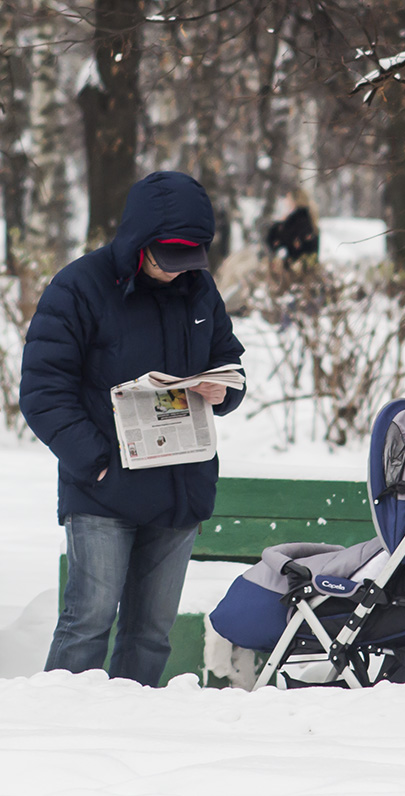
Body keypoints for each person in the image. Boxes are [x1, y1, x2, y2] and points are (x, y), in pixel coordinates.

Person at [19, 171, 246, 687]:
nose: (178, 270)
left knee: (151, 633)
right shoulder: (78, 288)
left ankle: (131, 738)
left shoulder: (199, 289)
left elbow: (228, 361)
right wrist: (96, 463)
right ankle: (63, 733)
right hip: (104, 489)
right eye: (169, 257)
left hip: (179, 487)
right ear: (138, 242)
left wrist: (224, 390)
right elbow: (42, 391)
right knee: (87, 624)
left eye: (191, 257)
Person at [265, 187, 319, 272]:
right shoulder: (309, 217)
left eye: (288, 199)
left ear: (294, 201)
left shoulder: (296, 219)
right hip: (308, 269)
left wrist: (276, 227)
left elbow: (279, 239)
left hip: (296, 269)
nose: (286, 202)